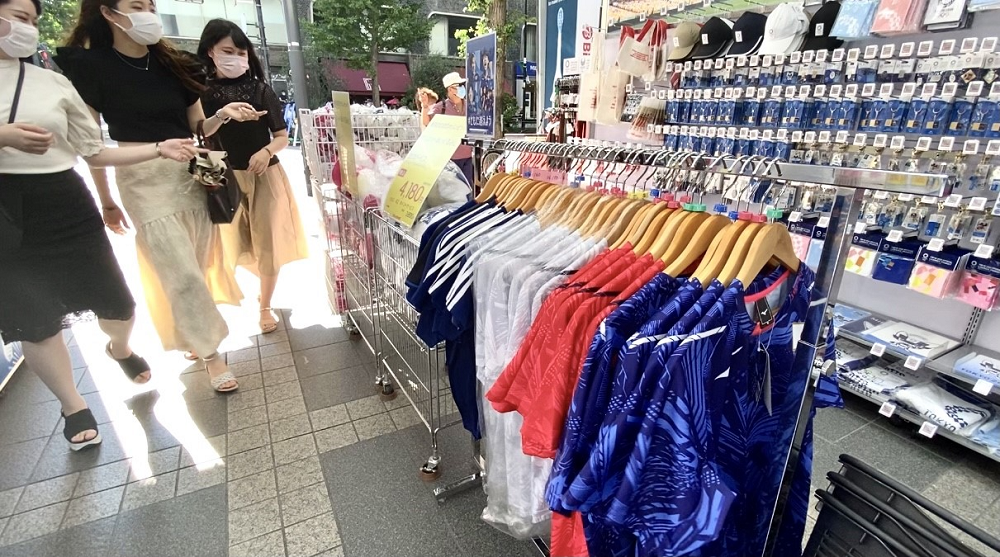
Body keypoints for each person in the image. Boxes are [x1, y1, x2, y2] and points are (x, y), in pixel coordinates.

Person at [0, 0, 207, 448]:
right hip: (6, 210)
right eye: (18, 17)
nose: (27, 29)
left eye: (32, 21)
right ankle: (74, 405)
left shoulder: (51, 81)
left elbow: (93, 149)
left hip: (63, 200)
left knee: (118, 303)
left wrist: (159, 148)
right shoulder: (91, 67)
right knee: (35, 319)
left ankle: (120, 347)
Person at [55, 0, 261, 393]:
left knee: (196, 267)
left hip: (192, 173)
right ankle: (212, 354)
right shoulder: (91, 67)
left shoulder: (174, 65)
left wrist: (224, 114)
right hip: (142, 178)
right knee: (180, 270)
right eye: (137, 5)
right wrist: (107, 200)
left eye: (150, 5)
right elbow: (91, 146)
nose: (148, 12)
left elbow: (197, 124)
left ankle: (193, 336)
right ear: (109, 13)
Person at [197, 19, 309, 334]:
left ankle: (265, 304)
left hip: (264, 171)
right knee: (224, 244)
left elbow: (281, 136)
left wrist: (266, 151)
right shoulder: (201, 92)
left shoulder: (260, 89)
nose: (236, 58)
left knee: (270, 241)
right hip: (215, 169)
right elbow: (198, 133)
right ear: (211, 52)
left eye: (242, 52)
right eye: (228, 51)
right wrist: (221, 114)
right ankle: (223, 303)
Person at [422, 72, 474, 185]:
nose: (462, 88)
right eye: (459, 85)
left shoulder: (470, 106)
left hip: (468, 156)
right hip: (450, 159)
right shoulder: (441, 108)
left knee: (468, 190)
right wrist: (425, 106)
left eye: (462, 85)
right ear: (450, 89)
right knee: (454, 191)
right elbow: (426, 122)